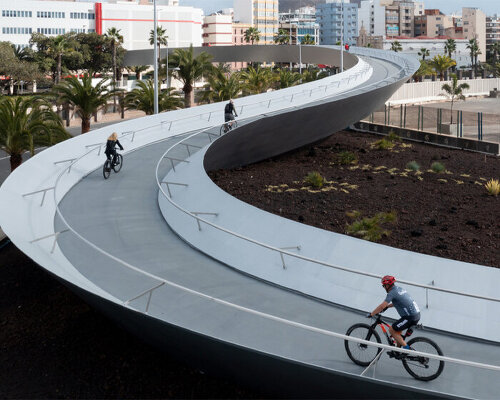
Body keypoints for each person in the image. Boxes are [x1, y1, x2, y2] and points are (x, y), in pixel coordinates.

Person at [368, 275, 420, 350]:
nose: (384, 287)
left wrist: (371, 314)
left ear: (387, 285)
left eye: (384, 286)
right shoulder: (399, 289)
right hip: (416, 314)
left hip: (410, 317)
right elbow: (399, 301)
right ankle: (398, 350)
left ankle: (408, 349)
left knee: (392, 330)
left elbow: (382, 306)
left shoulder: (392, 293)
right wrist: (388, 306)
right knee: (397, 331)